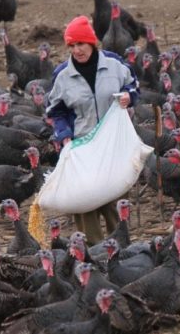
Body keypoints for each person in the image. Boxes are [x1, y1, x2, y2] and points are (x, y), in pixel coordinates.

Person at [46, 15, 139, 244]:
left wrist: (129, 96)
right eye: (72, 45)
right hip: (83, 146)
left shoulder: (114, 64)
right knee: (85, 202)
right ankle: (94, 255)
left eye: (81, 44)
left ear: (92, 42)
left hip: (114, 143)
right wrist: (65, 136)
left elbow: (133, 84)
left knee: (115, 200)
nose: (77, 50)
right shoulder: (62, 75)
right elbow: (55, 110)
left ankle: (122, 249)